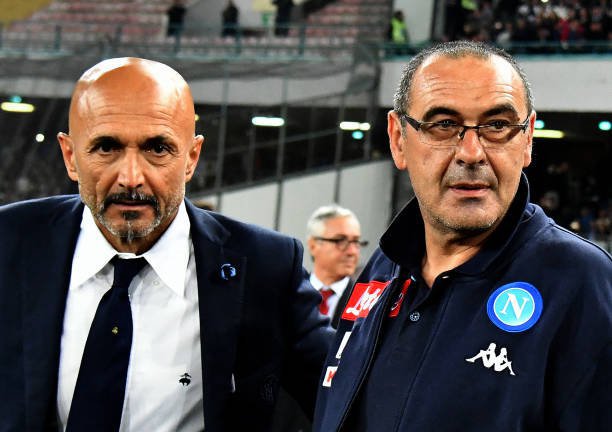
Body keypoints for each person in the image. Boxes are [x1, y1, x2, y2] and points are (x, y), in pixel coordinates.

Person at [0, 57, 333, 431]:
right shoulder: (10, 241)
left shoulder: (265, 267)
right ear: (70, 156)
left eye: (157, 148)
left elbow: (345, 397)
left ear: (191, 158)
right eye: (106, 147)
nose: (131, 177)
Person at [313, 41, 612, 431]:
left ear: (527, 139)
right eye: (444, 125)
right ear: (398, 138)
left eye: (497, 126)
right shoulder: (385, 265)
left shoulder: (581, 282)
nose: (472, 153)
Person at [306, 204, 367, 329]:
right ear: (313, 245)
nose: (352, 252)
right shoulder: (289, 295)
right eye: (340, 241)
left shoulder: (366, 304)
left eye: (356, 241)